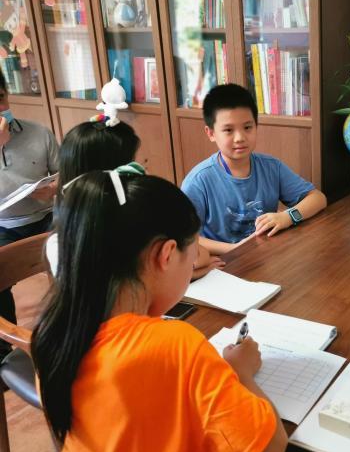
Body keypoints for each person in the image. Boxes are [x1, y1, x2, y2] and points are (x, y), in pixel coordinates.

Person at [32, 170, 288, 452]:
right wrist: (241, 372)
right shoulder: (175, 344)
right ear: (165, 254)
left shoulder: (53, 335)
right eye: (191, 257)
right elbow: (272, 448)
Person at [46, 117, 223, 279]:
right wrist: (195, 270)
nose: (141, 170)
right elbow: (187, 260)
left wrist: (192, 266)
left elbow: (193, 255)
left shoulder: (130, 216)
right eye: (132, 164)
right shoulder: (73, 244)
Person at [181, 84, 327, 256]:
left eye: (247, 127)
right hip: (222, 261)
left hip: (264, 256)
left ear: (256, 126)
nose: (240, 138)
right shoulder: (198, 181)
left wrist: (288, 217)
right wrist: (234, 249)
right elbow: (183, 237)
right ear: (211, 133)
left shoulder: (271, 167)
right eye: (228, 130)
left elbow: (318, 198)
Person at [0, 69, 58, 357]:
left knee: (78, 251)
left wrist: (54, 188)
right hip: (3, 226)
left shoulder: (39, 133)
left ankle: (73, 329)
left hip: (46, 217)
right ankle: (4, 351)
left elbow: (65, 175)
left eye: (0, 98)